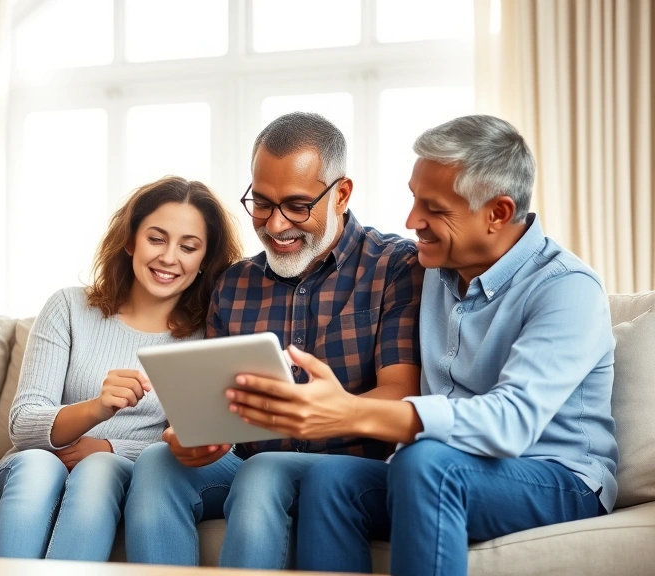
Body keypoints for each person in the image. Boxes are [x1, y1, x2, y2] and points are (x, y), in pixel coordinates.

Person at [225, 115, 617, 576]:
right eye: (414, 200)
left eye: (434, 209)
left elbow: (512, 422)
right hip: (439, 467)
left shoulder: (565, 288)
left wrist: (351, 411)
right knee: (328, 479)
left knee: (426, 462)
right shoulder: (427, 271)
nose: (413, 222)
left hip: (554, 477)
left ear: (498, 213)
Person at [124, 112, 424, 569]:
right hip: (247, 466)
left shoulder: (395, 267)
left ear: (341, 194)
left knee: (264, 471)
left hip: (350, 469)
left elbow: (401, 393)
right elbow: (210, 410)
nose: (276, 225)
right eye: (261, 203)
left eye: (297, 206)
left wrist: (318, 410)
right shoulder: (235, 283)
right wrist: (191, 437)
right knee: (156, 463)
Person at [0, 176, 243, 561]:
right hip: (34, 466)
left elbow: (206, 445)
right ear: (130, 240)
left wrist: (109, 448)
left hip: (119, 474)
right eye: (156, 239)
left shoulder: (209, 334)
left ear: (204, 260)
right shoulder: (68, 308)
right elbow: (23, 424)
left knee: (99, 470)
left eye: (188, 247)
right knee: (39, 466)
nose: (169, 257)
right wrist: (97, 409)